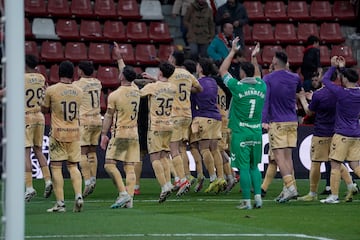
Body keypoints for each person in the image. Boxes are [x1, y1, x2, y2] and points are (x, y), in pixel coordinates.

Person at [297, 65, 358, 202]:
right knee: (340, 162)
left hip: (322, 132)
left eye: (319, 75)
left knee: (316, 162)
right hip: (339, 132)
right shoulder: (343, 91)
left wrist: (302, 99)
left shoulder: (320, 94)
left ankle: (313, 193)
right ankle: (350, 184)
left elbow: (309, 112)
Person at [219, 38, 266, 209]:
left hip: (240, 133)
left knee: (244, 168)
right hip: (256, 133)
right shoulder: (262, 86)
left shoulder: (237, 87)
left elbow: (223, 70)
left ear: (243, 74)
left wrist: (232, 51)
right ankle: (258, 198)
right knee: (255, 167)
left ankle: (246, 201)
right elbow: (258, 75)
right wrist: (254, 57)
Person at [100, 44, 141, 209]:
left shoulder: (114, 95)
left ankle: (123, 193)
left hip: (120, 133)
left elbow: (109, 116)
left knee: (109, 164)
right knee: (129, 167)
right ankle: (129, 200)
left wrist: (104, 134)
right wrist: (119, 58)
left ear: (123, 76)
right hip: (134, 134)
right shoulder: (136, 90)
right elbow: (126, 71)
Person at [42, 60, 84, 213]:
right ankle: (79, 195)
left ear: (58, 72)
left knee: (56, 168)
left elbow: (44, 109)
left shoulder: (52, 90)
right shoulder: (79, 90)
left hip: (58, 133)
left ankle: (60, 203)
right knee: (73, 166)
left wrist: (45, 94)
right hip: (74, 132)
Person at [262, 51, 302, 203]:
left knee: (278, 157)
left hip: (277, 122)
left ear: (275, 62)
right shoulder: (295, 77)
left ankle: (291, 187)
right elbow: (299, 91)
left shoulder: (268, 78)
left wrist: (264, 120)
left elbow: (266, 100)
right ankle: (288, 189)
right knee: (287, 156)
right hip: (292, 121)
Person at [320, 56, 360, 204]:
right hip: (356, 134)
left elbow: (324, 81)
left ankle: (334, 196)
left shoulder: (342, 93)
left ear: (344, 80)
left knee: (335, 164)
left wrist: (332, 67)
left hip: (342, 134)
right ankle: (335, 195)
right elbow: (350, 80)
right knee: (355, 165)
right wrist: (342, 69)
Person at [140, 62, 177, 203]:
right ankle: (168, 183)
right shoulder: (173, 88)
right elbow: (164, 85)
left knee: (154, 158)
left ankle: (164, 186)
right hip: (169, 125)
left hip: (156, 126)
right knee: (164, 156)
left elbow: (138, 94)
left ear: (160, 72)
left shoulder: (152, 87)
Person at [168, 50, 203, 197]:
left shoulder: (170, 74)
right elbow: (200, 89)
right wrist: (188, 89)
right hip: (187, 115)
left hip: (175, 114)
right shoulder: (188, 75)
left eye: (170, 57)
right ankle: (185, 176)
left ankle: (182, 180)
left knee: (173, 149)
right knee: (182, 147)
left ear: (174, 60)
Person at [190, 58, 226, 194]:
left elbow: (193, 102)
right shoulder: (213, 82)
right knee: (215, 149)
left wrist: (194, 119)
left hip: (203, 117)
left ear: (200, 69)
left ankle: (212, 178)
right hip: (216, 118)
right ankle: (221, 177)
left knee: (204, 149)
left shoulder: (197, 83)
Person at [24, 54, 53, 202]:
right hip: (40, 116)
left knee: (26, 152)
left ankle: (29, 187)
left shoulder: (20, 78)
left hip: (26, 116)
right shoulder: (41, 78)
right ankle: (48, 180)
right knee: (38, 150)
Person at [73, 61, 102, 198]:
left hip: (84, 120)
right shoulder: (98, 82)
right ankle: (94, 178)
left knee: (82, 152)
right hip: (97, 119)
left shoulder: (77, 84)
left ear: (80, 71)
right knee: (92, 151)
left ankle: (87, 180)